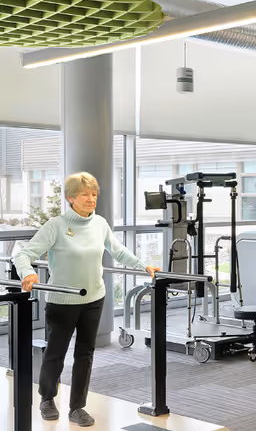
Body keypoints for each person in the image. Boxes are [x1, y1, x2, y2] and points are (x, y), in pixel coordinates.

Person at [13, 172, 160, 427]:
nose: (91, 199)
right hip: (62, 300)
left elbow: (118, 251)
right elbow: (24, 255)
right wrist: (29, 273)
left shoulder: (100, 223)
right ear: (71, 198)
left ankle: (77, 407)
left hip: (93, 298)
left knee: (85, 354)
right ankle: (47, 398)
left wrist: (142, 266)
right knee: (55, 353)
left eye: (94, 194)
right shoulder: (56, 226)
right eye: (85, 194)